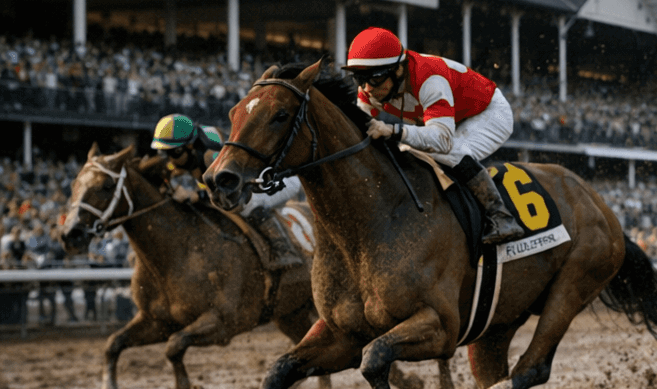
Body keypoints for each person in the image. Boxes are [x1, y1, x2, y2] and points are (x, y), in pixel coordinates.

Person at [342, 26, 522, 245]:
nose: (367, 88)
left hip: (488, 113)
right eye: (360, 78)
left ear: (398, 70)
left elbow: (442, 141)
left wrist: (393, 130)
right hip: (448, 119)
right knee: (407, 152)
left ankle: (501, 217)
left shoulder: (429, 78)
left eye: (375, 78)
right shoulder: (369, 89)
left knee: (448, 152)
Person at [152, 113, 303, 268]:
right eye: (164, 152)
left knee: (247, 203)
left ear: (189, 146)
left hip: (281, 180)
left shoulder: (211, 156)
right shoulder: (197, 146)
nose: (169, 159)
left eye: (173, 152)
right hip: (253, 179)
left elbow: (231, 193)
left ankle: (285, 251)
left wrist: (196, 195)